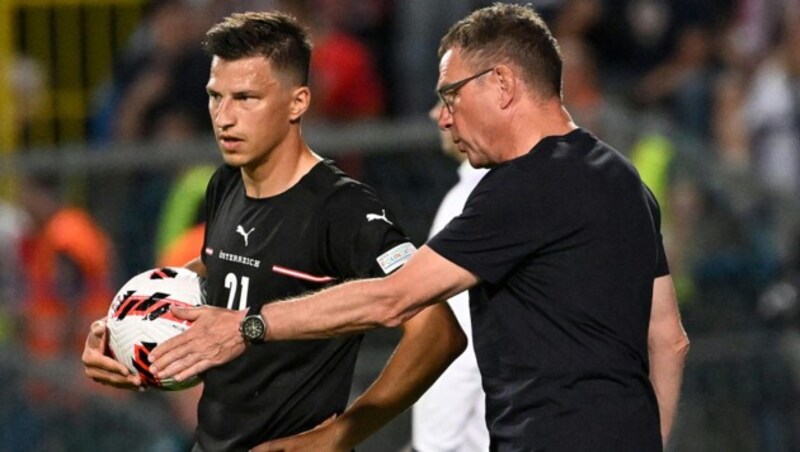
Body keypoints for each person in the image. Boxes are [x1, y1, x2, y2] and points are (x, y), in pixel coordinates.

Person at [148, 4, 690, 451]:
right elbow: (669, 340)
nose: (445, 116)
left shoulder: (520, 187)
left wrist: (248, 326)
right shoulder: (624, 178)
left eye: (451, 94)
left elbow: (392, 299)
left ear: (501, 83)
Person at [81, 10, 466, 452]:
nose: (224, 117)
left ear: (298, 102)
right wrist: (127, 331)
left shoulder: (342, 208)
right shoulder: (226, 181)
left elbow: (439, 333)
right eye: (215, 97)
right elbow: (222, 268)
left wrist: (342, 434)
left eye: (246, 98)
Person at [411, 102, 489, 452]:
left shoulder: (469, 204)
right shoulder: (516, 189)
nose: (433, 115)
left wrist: (431, 446)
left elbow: (454, 340)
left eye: (443, 100)